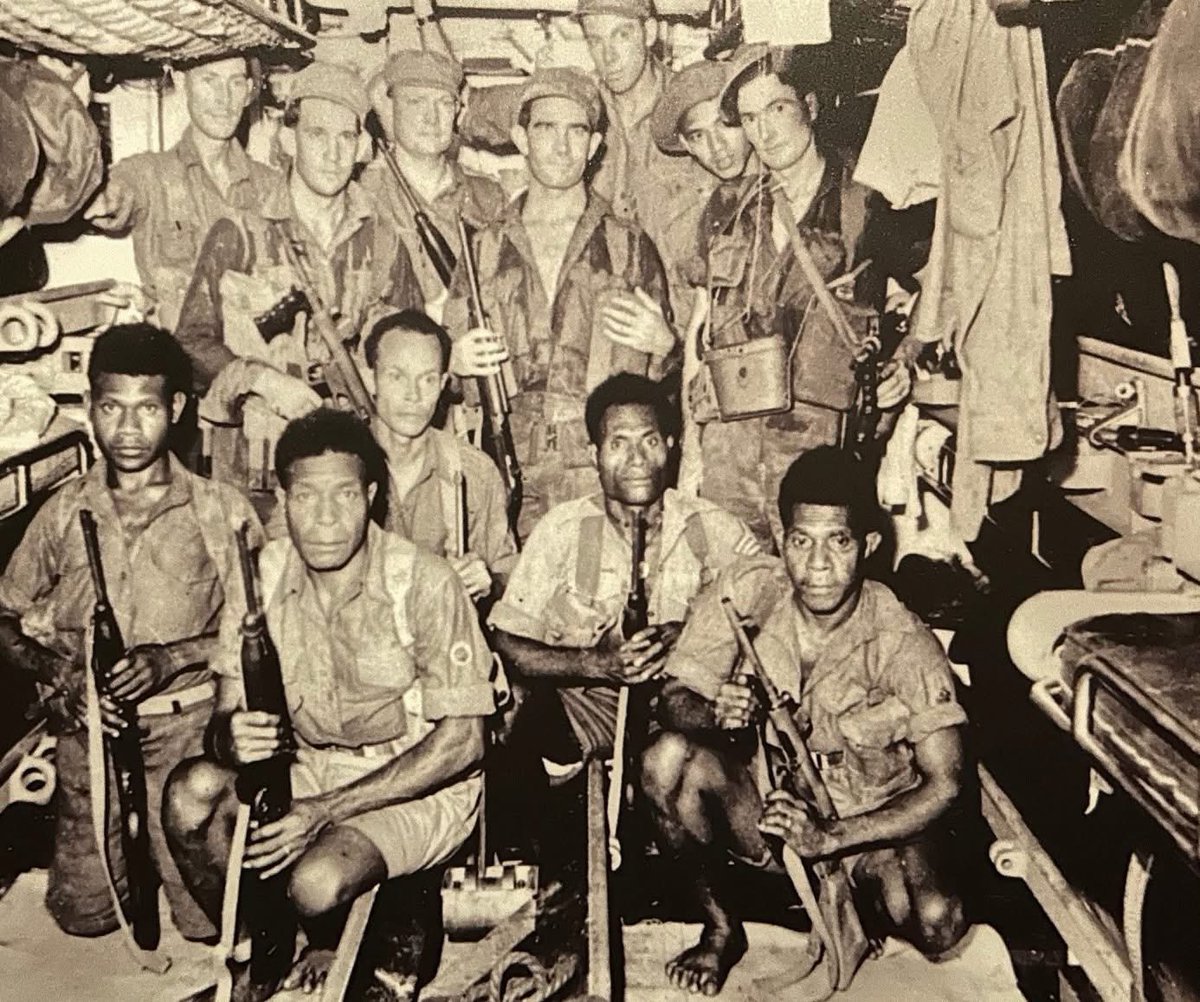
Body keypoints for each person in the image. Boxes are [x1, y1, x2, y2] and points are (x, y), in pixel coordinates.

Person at [163, 408, 503, 994]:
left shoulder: (421, 581)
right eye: (305, 497)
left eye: (344, 496)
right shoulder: (263, 577)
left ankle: (370, 915)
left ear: (370, 496)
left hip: (414, 781)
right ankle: (257, 946)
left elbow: (463, 743)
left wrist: (321, 812)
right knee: (189, 796)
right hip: (309, 765)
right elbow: (221, 717)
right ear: (282, 500)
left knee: (315, 881)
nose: (324, 520)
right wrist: (230, 735)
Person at [643, 447, 969, 996]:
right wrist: (716, 713)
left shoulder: (903, 642)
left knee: (938, 921)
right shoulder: (748, 593)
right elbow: (672, 700)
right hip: (771, 811)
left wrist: (834, 836)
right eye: (801, 541)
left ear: (867, 545)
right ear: (782, 540)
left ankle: (856, 912)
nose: (816, 565)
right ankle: (722, 930)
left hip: (868, 829)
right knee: (666, 759)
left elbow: (947, 783)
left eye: (837, 541)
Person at [0, 323, 263, 943]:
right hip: (89, 727)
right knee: (82, 917)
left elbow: (265, 629)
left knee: (206, 923)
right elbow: (5, 618)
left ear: (175, 409)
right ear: (90, 407)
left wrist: (175, 658)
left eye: (146, 408)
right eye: (110, 407)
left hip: (187, 730)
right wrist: (62, 676)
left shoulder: (220, 510)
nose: (126, 428)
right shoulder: (65, 511)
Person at [692, 45, 916, 548]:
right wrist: (693, 451)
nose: (764, 133)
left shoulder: (865, 196)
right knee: (729, 594)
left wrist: (907, 360)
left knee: (820, 596)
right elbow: (702, 322)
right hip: (730, 451)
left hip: (820, 450)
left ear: (810, 108)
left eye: (777, 109)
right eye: (749, 118)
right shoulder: (727, 206)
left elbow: (939, 281)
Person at [445, 66, 677, 540]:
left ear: (594, 147)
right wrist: (453, 360)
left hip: (601, 472)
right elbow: (440, 374)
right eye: (545, 128)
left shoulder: (629, 246)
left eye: (577, 131)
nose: (562, 145)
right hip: (504, 465)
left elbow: (667, 394)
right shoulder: (483, 250)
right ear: (521, 137)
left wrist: (667, 345)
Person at [174, 60, 422, 501]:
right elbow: (190, 344)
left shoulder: (384, 242)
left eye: (346, 137)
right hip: (255, 479)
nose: (332, 153)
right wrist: (263, 381)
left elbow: (412, 349)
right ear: (288, 139)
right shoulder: (240, 232)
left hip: (347, 476)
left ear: (362, 146)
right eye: (316, 135)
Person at [490, 372, 757, 777]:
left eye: (649, 441)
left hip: (685, 707)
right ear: (594, 452)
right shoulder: (563, 530)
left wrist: (689, 633)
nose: (636, 459)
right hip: (594, 705)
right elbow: (508, 643)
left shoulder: (715, 529)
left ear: (670, 446)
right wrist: (597, 664)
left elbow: (774, 621)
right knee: (512, 708)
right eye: (618, 443)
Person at [86, 56, 277, 330]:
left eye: (235, 83)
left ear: (248, 91)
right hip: (179, 360)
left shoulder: (271, 186)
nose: (224, 99)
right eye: (209, 81)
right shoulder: (149, 175)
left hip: (258, 356)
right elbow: (98, 201)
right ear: (180, 81)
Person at [365, 308, 517, 600]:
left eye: (427, 379)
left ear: (444, 384)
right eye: (396, 377)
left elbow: (510, 575)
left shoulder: (475, 472)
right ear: (372, 379)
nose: (413, 395)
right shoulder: (340, 465)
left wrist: (490, 582)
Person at [362, 48, 508, 314]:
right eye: (416, 102)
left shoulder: (489, 198)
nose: (431, 117)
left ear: (456, 112)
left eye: (443, 103)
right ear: (391, 110)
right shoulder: (365, 196)